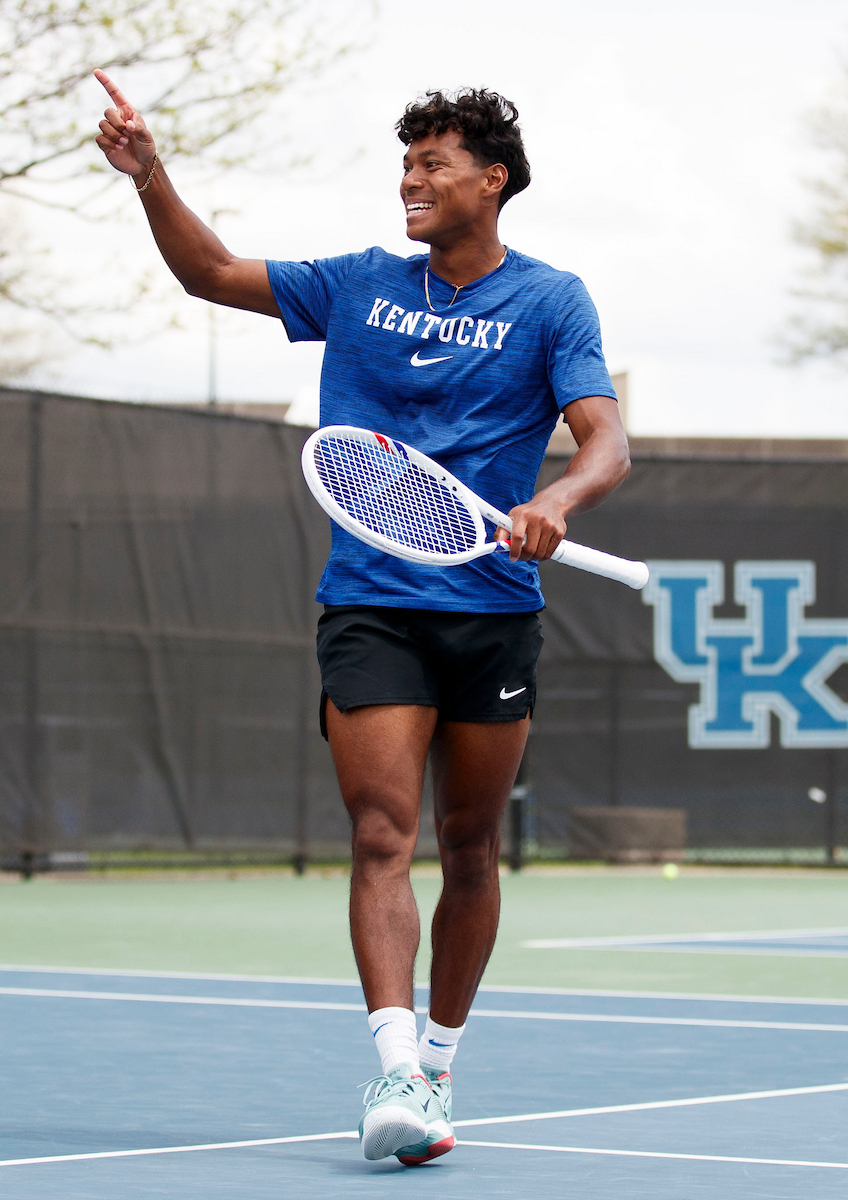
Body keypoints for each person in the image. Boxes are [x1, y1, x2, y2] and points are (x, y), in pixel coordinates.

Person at [94, 73, 631, 1166]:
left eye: (434, 164)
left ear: (494, 180)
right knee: (382, 832)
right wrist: (149, 175)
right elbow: (209, 273)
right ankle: (393, 1067)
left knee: (470, 845)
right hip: (372, 605)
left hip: (493, 613)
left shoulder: (551, 301)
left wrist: (557, 501)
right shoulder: (355, 285)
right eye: (406, 164)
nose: (411, 182)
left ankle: (439, 1062)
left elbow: (606, 442)